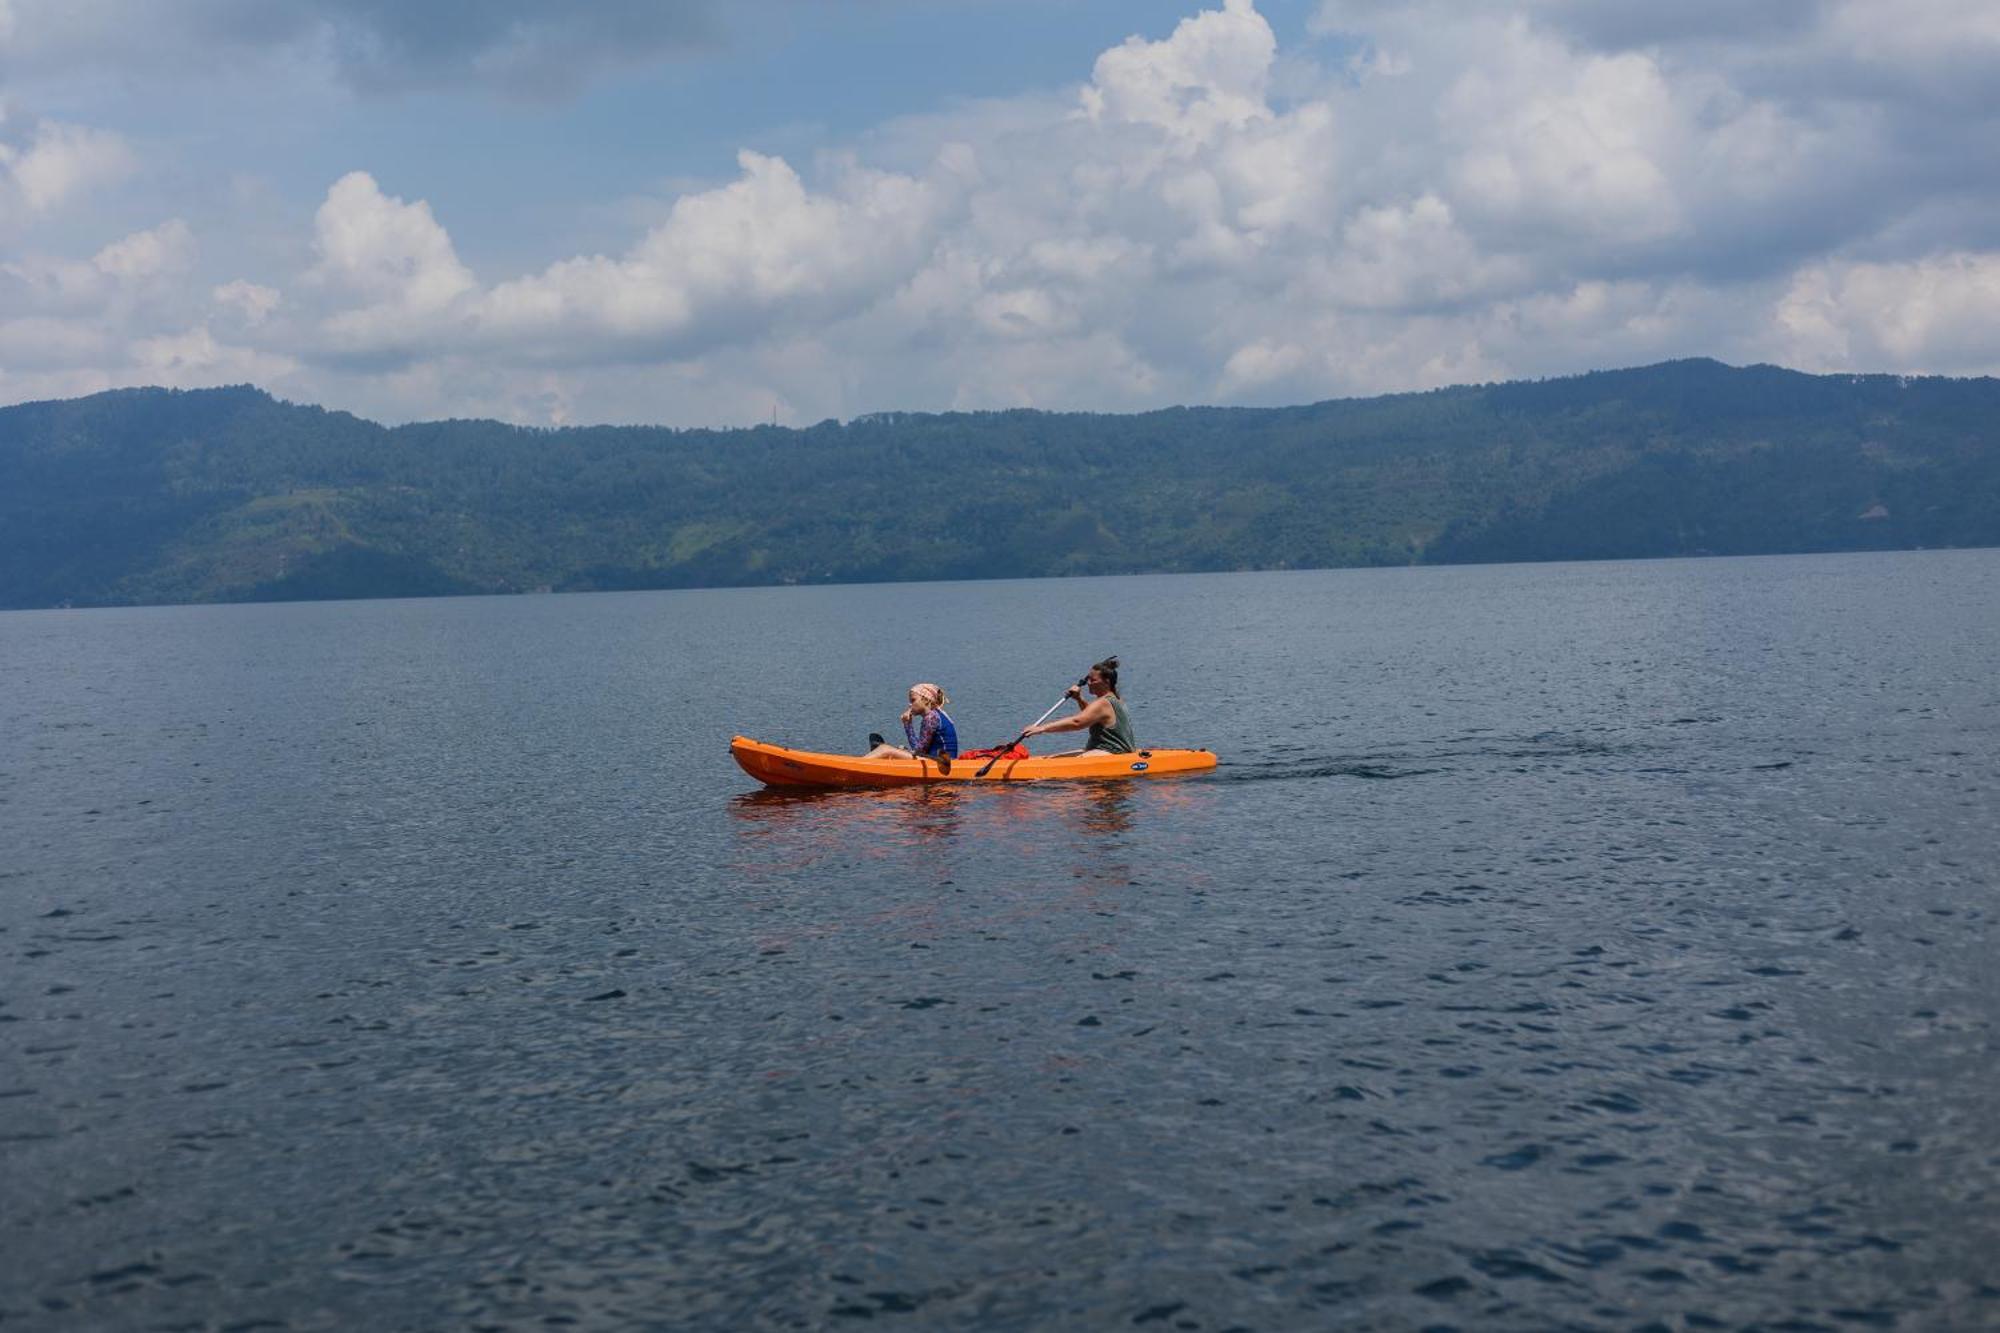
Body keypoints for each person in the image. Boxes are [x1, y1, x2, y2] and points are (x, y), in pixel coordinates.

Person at [1023, 656, 1135, 756]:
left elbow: (1077, 722)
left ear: (1106, 681)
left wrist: (1042, 728)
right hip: (1111, 751)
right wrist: (1079, 699)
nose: (1088, 683)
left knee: (1067, 764)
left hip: (1112, 752)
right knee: (1052, 758)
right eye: (1088, 679)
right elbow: (1091, 716)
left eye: (1093, 680)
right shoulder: (1116, 698)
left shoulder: (1103, 703)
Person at [863, 683, 959, 761]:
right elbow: (921, 749)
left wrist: (908, 725)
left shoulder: (930, 718)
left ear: (926, 700)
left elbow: (919, 750)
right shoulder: (937, 714)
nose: (910, 704)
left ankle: (858, 764)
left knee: (885, 749)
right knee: (899, 749)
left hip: (941, 764)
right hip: (940, 760)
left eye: (913, 700)